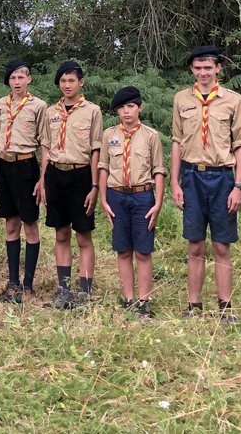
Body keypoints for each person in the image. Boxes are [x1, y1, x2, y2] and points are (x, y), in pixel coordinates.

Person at [170, 44, 241, 323]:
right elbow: (177, 142)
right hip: (191, 176)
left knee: (221, 245)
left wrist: (238, 185)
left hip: (222, 178)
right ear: (192, 69)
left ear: (218, 69)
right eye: (198, 67)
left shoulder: (233, 101)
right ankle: (194, 305)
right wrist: (174, 183)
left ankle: (225, 308)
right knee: (195, 244)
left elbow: (240, 145)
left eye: (208, 67)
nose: (203, 72)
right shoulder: (181, 99)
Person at [36, 60, 104, 309]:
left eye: (72, 80)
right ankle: (63, 289)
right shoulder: (50, 112)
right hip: (55, 174)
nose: (67, 85)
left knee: (83, 235)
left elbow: (96, 149)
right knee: (61, 232)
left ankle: (84, 292)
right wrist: (43, 180)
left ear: (81, 83)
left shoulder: (92, 111)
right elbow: (45, 146)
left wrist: (95, 186)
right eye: (63, 81)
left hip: (81, 175)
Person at [98, 86, 166, 319]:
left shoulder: (151, 136)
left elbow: (158, 170)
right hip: (117, 195)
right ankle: (128, 298)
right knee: (123, 249)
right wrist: (103, 198)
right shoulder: (109, 135)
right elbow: (103, 167)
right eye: (121, 108)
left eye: (130, 106)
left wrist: (157, 202)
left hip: (142, 196)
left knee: (143, 251)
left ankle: (144, 301)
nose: (126, 112)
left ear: (139, 108)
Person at [0, 58, 50, 304]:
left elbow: (45, 144)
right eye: (13, 78)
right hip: (3, 165)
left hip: (26, 166)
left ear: (29, 79)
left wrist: (42, 178)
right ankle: (12, 282)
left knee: (30, 223)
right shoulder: (0, 105)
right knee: (10, 224)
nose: (17, 82)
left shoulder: (39, 106)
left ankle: (29, 284)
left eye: (21, 77)